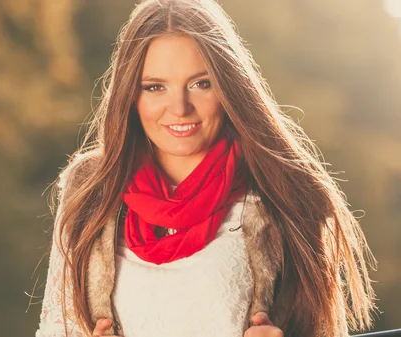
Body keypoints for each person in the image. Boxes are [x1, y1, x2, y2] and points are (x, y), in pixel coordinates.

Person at [35, 0, 377, 336]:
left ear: (228, 87)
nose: (180, 107)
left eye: (201, 83)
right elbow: (58, 329)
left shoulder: (283, 193)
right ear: (131, 95)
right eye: (155, 87)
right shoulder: (93, 191)